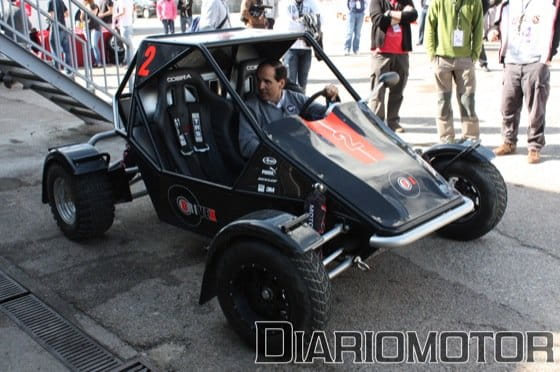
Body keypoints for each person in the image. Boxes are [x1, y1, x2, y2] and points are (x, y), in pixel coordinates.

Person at [490, 0, 560, 164]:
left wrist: (548, 55)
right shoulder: (507, 3)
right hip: (512, 60)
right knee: (507, 105)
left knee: (536, 109)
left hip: (535, 61)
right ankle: (509, 141)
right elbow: (496, 19)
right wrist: (493, 30)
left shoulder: (548, 3)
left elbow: (556, 26)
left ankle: (534, 146)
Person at [238, 60, 339, 158]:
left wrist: (332, 97)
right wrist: (280, 152)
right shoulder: (251, 108)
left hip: (305, 156)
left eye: (267, 82)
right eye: (258, 80)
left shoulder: (296, 98)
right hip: (276, 162)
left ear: (281, 83)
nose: (260, 86)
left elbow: (326, 114)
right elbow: (247, 145)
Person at [424, 0, 483, 143]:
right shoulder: (438, 2)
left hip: (465, 59)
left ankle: (470, 137)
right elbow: (430, 27)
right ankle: (446, 137)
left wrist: (474, 54)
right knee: (443, 101)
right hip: (442, 59)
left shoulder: (475, 2)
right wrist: (432, 54)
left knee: (467, 100)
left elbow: (478, 29)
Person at [368, 0, 417, 133]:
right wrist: (402, 16)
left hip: (401, 53)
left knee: (398, 90)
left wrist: (389, 14)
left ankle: (393, 122)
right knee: (378, 91)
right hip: (382, 53)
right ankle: (377, 122)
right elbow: (378, 19)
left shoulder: (405, 1)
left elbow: (413, 16)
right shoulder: (377, 1)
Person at [277, 0, 320, 92]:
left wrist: (302, 22)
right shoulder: (285, 3)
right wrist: (306, 23)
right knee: (289, 81)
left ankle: (302, 103)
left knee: (303, 82)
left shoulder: (311, 3)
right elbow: (288, 26)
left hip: (306, 47)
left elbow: (318, 22)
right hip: (291, 47)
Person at [48, 0, 73, 74]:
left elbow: (52, 16)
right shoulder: (61, 1)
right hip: (63, 27)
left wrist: (47, 19)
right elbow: (67, 14)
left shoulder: (50, 2)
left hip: (55, 28)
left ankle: (56, 70)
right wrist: (61, 16)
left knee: (55, 49)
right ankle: (68, 70)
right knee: (66, 51)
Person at [81, 0, 102, 67]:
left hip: (95, 28)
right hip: (87, 28)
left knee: (94, 45)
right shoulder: (83, 7)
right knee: (89, 46)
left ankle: (98, 62)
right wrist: (82, 11)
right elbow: (82, 18)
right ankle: (93, 62)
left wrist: (86, 9)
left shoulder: (94, 6)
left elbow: (93, 15)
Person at [113, 0, 134, 64]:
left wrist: (115, 16)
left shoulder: (122, 1)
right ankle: (128, 61)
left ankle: (129, 62)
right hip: (129, 24)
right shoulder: (129, 1)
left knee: (127, 45)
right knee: (128, 45)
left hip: (125, 25)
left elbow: (122, 12)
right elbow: (132, 10)